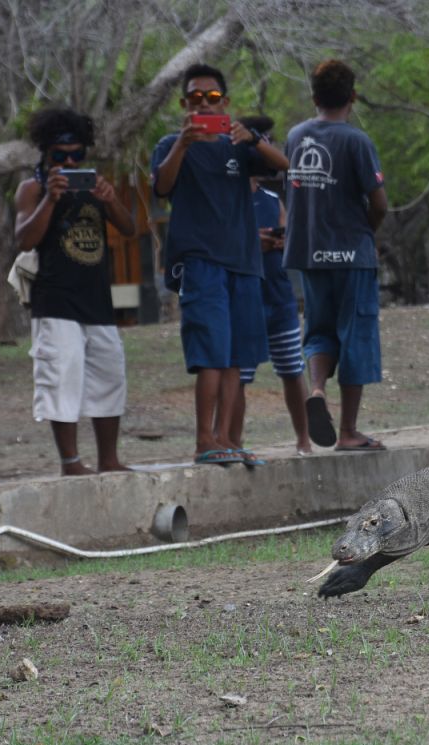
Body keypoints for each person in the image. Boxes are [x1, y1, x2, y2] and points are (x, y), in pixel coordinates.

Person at [151, 63, 289, 466]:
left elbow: (283, 165)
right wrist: (183, 143)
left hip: (245, 265)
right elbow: (161, 187)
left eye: (212, 98)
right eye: (195, 97)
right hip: (201, 263)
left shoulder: (239, 144)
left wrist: (253, 138)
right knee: (210, 355)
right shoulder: (169, 144)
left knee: (236, 357)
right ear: (184, 103)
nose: (204, 103)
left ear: (225, 102)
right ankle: (203, 440)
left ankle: (228, 439)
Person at [15, 107, 135, 476]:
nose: (69, 162)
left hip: (97, 300)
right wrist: (50, 200)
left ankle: (109, 460)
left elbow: (129, 228)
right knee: (60, 378)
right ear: (45, 154)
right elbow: (24, 239)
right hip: (55, 301)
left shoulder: (94, 185)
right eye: (60, 156)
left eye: (77, 155)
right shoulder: (32, 188)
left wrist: (111, 198)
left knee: (109, 376)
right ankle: (71, 462)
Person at [283, 59, 388, 452]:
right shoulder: (357, 141)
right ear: (353, 97)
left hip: (310, 254)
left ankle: (316, 389)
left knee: (319, 330)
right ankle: (348, 430)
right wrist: (366, 232)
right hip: (352, 256)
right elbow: (379, 203)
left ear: (314, 97)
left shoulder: (294, 137)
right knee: (355, 336)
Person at [228, 115, 310, 456]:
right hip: (245, 298)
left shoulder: (269, 198)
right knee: (240, 376)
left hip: (278, 295)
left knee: (292, 369)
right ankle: (234, 442)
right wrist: (251, 243)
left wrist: (280, 242)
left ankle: (304, 440)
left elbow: (289, 233)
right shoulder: (227, 198)